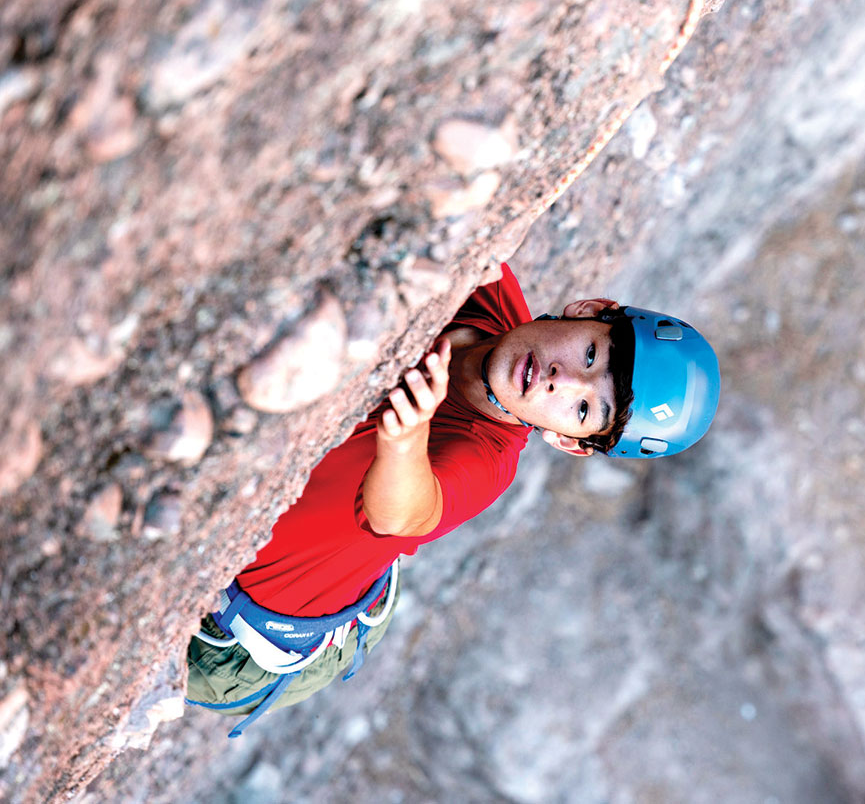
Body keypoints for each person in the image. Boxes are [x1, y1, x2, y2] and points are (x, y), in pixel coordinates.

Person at [186, 264, 720, 736]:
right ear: (588, 311)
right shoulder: (487, 289)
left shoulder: (486, 461)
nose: (564, 380)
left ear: (566, 442)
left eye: (584, 410)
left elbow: (401, 514)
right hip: (335, 578)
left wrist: (403, 442)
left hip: (238, 644)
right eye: (590, 353)